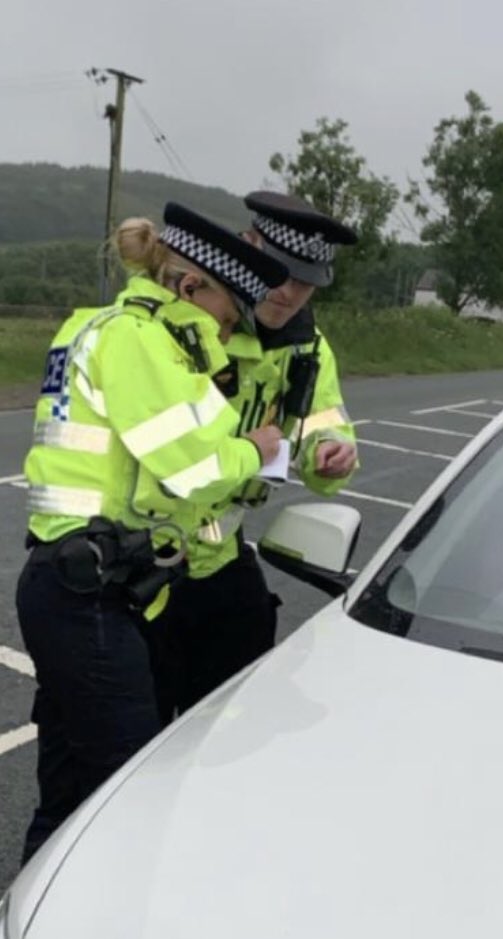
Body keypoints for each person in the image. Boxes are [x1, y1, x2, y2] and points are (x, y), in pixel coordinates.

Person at [16, 201, 289, 862]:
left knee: (72, 791)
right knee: (127, 792)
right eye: (227, 319)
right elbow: (191, 466)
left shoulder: (98, 325)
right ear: (189, 287)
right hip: (90, 597)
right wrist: (258, 448)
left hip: (77, 582)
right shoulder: (144, 342)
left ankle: (29, 927)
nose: (227, 337)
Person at [148, 191, 359, 722]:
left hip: (218, 560)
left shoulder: (309, 348)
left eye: (306, 281)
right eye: (279, 272)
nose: (289, 293)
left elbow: (321, 422)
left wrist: (330, 453)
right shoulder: (188, 320)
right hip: (139, 558)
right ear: (248, 247)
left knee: (227, 728)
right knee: (124, 752)